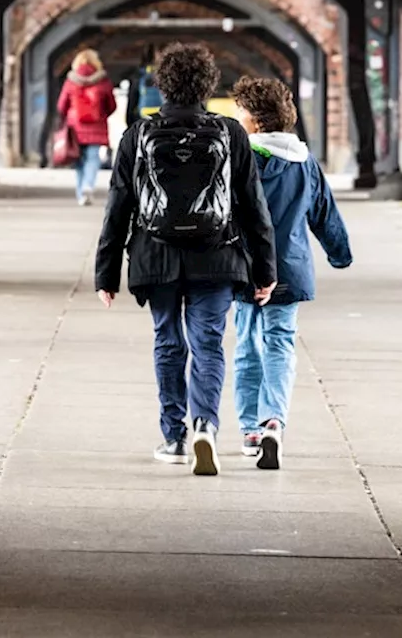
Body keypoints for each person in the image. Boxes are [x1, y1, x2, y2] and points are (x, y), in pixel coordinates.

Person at [95, 43, 277, 476]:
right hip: (217, 254)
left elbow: (118, 205)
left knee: (168, 341)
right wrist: (266, 269)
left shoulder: (137, 135)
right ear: (208, 84)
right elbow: (253, 206)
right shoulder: (231, 133)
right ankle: (205, 426)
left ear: (162, 86)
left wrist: (106, 272)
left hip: (155, 255)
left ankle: (173, 436)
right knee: (208, 343)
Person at [231, 77, 352, 470]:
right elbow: (324, 215)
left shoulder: (238, 160)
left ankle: (250, 428)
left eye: (240, 112)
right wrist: (340, 254)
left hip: (245, 267)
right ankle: (274, 421)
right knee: (280, 343)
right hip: (290, 270)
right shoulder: (305, 163)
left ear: (254, 120)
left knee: (248, 344)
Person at [56, 49, 116, 206]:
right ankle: (88, 185)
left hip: (75, 127)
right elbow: (111, 105)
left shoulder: (71, 81)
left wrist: (67, 117)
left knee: (78, 160)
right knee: (93, 158)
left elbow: (61, 106)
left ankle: (80, 193)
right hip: (96, 126)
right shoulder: (103, 81)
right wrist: (101, 114)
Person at [124, 43, 162, 127]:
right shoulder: (141, 75)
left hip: (143, 121)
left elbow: (132, 101)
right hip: (164, 121)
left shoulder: (140, 74)